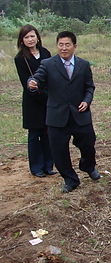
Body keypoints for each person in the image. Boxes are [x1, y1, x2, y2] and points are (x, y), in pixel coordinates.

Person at [28, 31, 100, 193]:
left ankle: (88, 166)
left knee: (88, 143)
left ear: (74, 46)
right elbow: (37, 77)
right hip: (57, 116)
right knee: (59, 151)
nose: (64, 48)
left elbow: (89, 87)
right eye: (61, 44)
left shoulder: (83, 65)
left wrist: (86, 101)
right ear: (57, 46)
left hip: (80, 113)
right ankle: (70, 179)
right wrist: (32, 82)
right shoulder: (48, 64)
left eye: (67, 45)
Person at [14, 25, 55, 178]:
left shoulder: (46, 53)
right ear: (22, 40)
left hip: (49, 99)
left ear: (37, 37)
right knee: (34, 135)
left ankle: (49, 165)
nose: (30, 40)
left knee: (47, 133)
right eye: (26, 37)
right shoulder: (20, 59)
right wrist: (42, 93)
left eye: (32, 36)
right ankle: (36, 167)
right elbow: (26, 83)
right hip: (32, 101)